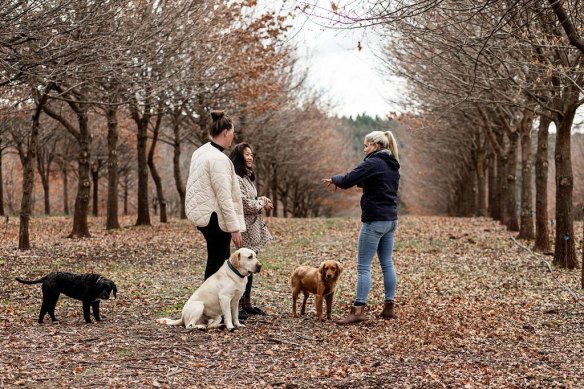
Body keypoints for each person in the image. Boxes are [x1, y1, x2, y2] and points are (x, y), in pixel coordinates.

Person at [323, 130, 400, 325]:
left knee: (363, 267)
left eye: (366, 145)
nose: (364, 149)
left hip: (374, 220)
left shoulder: (373, 161)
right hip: (390, 220)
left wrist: (335, 179)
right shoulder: (392, 164)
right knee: (387, 263)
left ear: (376, 146)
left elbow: (350, 178)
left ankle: (358, 310)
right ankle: (389, 307)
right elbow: (367, 180)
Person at [185, 110, 245, 282]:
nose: (233, 137)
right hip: (215, 219)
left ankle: (218, 304)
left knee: (222, 263)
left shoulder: (200, 152)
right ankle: (208, 305)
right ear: (226, 132)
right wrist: (234, 228)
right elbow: (224, 197)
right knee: (216, 265)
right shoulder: (218, 159)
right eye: (232, 133)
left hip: (203, 216)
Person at [229, 143, 273, 318]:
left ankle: (247, 304)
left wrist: (261, 199)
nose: (250, 157)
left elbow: (251, 199)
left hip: (253, 227)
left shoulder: (247, 178)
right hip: (244, 227)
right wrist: (261, 203)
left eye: (251, 154)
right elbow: (245, 204)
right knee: (242, 267)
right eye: (247, 154)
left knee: (251, 266)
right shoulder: (236, 178)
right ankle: (238, 305)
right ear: (239, 156)